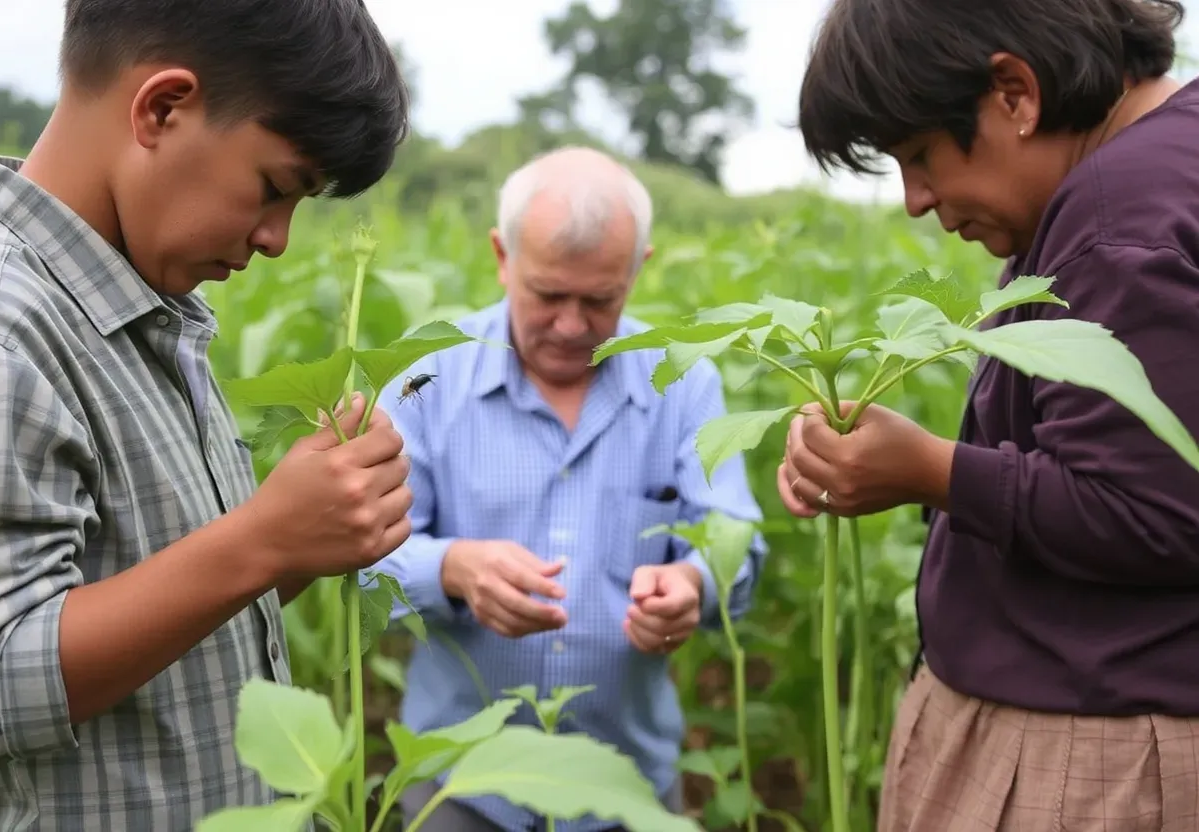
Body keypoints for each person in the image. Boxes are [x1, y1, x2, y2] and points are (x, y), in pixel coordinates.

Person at [0, 1, 413, 829]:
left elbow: (156, 596)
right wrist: (262, 541)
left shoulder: (149, 312)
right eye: (275, 188)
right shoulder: (3, 325)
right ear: (162, 108)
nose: (277, 239)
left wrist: (299, 545)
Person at [784, 0, 1199, 829]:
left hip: (1090, 762)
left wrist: (929, 471)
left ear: (1014, 93)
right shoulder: (1165, 163)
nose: (914, 199)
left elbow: (1157, 510)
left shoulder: (1119, 220)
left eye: (919, 155)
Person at [366, 146, 769, 832]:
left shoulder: (682, 382)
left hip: (628, 783)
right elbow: (364, 561)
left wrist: (695, 585)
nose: (573, 325)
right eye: (549, 295)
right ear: (502, 256)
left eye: (600, 299)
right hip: (461, 788)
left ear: (637, 270)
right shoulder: (425, 376)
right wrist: (453, 569)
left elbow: (735, 538)